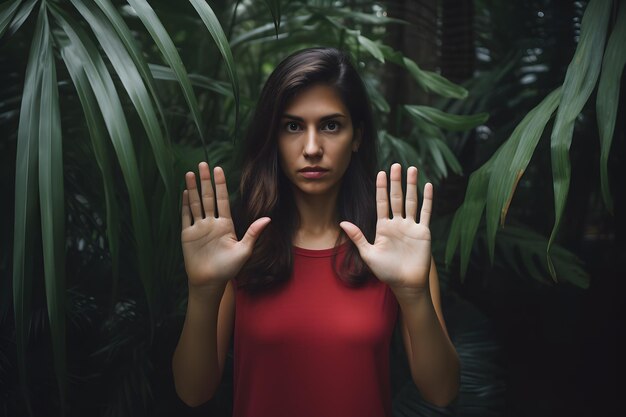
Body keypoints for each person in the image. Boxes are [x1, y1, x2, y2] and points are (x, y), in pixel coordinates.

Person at [172, 47, 459, 416]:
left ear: (357, 136)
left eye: (331, 125)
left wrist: (414, 294)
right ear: (273, 137)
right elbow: (193, 392)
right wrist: (202, 291)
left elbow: (442, 391)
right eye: (293, 126)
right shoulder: (239, 250)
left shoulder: (394, 252)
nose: (311, 148)